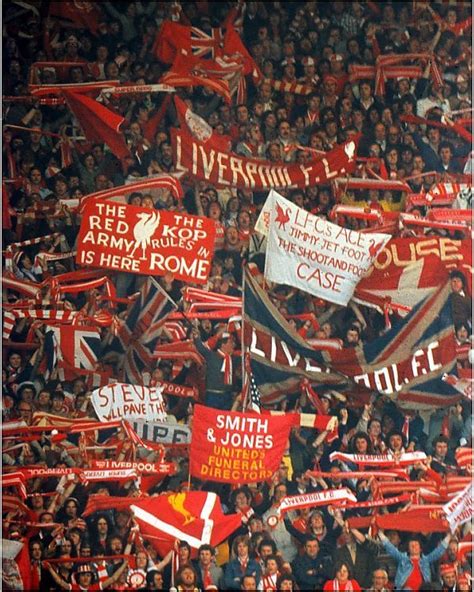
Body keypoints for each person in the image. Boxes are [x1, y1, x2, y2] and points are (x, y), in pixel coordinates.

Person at [378, 530, 451, 591]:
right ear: (408, 549)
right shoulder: (403, 558)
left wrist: (449, 536)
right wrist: (380, 533)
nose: (414, 547)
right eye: (411, 546)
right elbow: (390, 548)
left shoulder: (425, 560)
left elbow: (438, 551)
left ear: (420, 548)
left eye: (416, 545)